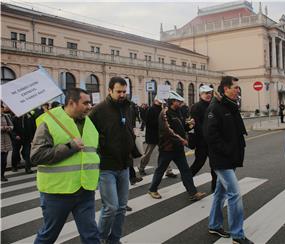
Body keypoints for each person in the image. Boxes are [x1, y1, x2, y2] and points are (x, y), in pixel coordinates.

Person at [30, 88, 100, 243]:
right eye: (86, 103)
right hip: (57, 192)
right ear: (71, 103)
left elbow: (92, 153)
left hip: (85, 190)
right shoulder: (48, 122)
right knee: (48, 236)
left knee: (91, 235)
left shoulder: (89, 122)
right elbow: (36, 156)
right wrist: (70, 147)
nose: (90, 106)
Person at [204, 76, 253, 244]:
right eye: (235, 87)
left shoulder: (230, 106)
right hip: (222, 160)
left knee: (220, 193)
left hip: (230, 158)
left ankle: (214, 224)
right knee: (235, 194)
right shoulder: (215, 108)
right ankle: (237, 236)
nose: (238, 90)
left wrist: (235, 151)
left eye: (238, 88)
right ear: (225, 89)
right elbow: (211, 136)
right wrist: (228, 150)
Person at [89, 77, 135, 244]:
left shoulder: (129, 107)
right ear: (109, 91)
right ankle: (100, 239)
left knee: (122, 208)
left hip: (124, 165)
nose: (122, 94)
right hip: (106, 165)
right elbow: (87, 134)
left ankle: (114, 239)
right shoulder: (98, 110)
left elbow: (129, 130)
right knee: (111, 207)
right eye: (118, 91)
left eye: (124, 91)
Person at [148, 90, 206, 201]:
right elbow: (168, 131)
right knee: (160, 170)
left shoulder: (178, 111)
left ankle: (193, 193)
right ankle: (152, 189)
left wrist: (190, 125)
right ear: (172, 101)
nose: (180, 103)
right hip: (167, 148)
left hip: (178, 148)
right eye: (178, 101)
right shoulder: (164, 113)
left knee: (185, 171)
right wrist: (183, 141)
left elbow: (182, 127)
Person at [138, 96, 176, 178]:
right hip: (153, 135)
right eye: (159, 100)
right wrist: (160, 123)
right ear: (155, 100)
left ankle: (168, 170)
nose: (160, 102)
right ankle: (141, 167)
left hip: (162, 135)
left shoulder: (163, 109)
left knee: (165, 153)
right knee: (148, 154)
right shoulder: (151, 109)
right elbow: (148, 122)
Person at [189, 85, 217, 192]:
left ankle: (215, 188)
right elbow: (197, 125)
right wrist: (207, 135)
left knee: (215, 165)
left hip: (213, 142)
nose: (208, 95)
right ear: (200, 95)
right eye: (206, 93)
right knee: (199, 163)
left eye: (210, 92)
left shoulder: (214, 105)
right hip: (202, 142)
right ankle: (187, 179)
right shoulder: (196, 107)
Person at [1, 102, 14, 182]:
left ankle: (2, 174)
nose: (1, 109)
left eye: (2, 108)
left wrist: (8, 128)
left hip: (6, 139)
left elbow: (12, 126)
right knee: (1, 159)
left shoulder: (6, 116)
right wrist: (2, 128)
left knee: (4, 159)